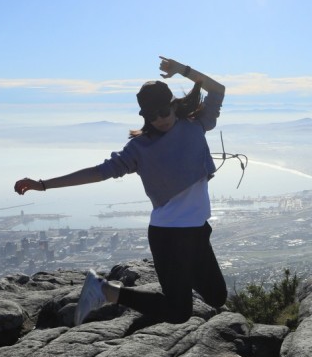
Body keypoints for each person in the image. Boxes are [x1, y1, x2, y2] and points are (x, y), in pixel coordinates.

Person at [14, 57, 227, 325]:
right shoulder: (141, 148)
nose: (159, 119)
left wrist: (182, 70)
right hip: (169, 236)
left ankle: (175, 282)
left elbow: (217, 89)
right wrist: (43, 184)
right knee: (178, 311)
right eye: (151, 115)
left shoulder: (195, 125)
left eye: (163, 111)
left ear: (173, 105)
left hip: (197, 230)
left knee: (217, 296)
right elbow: (98, 172)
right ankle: (104, 291)